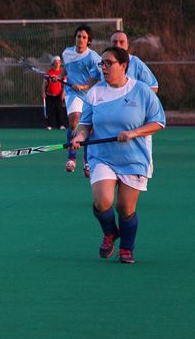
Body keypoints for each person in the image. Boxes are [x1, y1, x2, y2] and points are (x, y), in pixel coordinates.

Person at [70, 46, 165, 264]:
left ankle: (127, 248)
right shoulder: (94, 93)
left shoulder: (141, 91)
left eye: (108, 63)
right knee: (103, 202)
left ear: (123, 66)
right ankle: (110, 233)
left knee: (125, 207)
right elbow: (85, 125)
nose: (103, 67)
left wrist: (134, 133)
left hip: (134, 158)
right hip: (102, 156)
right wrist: (78, 137)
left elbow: (159, 122)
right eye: (101, 63)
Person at [60, 25, 102, 176]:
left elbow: (99, 78)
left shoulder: (94, 57)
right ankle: (71, 158)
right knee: (74, 121)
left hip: (90, 94)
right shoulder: (67, 52)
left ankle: (87, 161)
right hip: (72, 92)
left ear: (88, 41)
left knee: (87, 128)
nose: (81, 40)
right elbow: (66, 69)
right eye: (78, 36)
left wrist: (84, 86)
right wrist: (59, 77)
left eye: (84, 37)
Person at [43, 56, 67, 130]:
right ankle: (50, 125)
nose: (57, 64)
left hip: (58, 94)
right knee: (50, 110)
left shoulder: (62, 73)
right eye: (55, 62)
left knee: (59, 110)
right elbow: (44, 84)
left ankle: (61, 125)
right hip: (49, 94)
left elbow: (64, 84)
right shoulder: (49, 73)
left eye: (58, 62)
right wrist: (43, 92)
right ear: (52, 63)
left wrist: (63, 93)